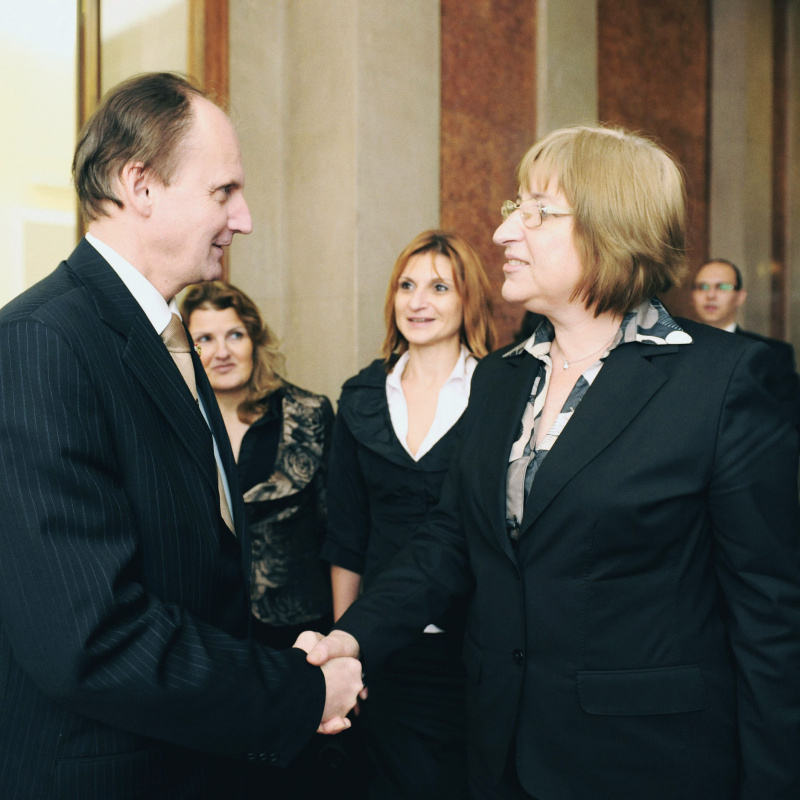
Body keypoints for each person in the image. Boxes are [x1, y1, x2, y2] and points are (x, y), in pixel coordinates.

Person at [302, 126, 800, 799]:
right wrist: (353, 637)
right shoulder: (501, 377)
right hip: (499, 750)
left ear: (610, 229)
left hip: (644, 762)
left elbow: (768, 617)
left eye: (535, 212)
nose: (504, 232)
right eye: (515, 208)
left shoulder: (722, 380)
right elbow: (449, 540)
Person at [0, 72, 361, 800]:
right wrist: (295, 692)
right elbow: (92, 636)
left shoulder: (164, 335)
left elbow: (195, 572)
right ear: (140, 186)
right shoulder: (41, 341)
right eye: (224, 191)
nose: (244, 219)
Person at [321, 230, 496, 799]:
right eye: (406, 286)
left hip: (478, 642)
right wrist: (350, 644)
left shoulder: (501, 391)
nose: (418, 302)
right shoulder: (361, 396)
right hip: (386, 645)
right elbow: (347, 535)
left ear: (468, 298)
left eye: (439, 287)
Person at [182, 280, 339, 799]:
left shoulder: (307, 413)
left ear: (255, 339)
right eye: (204, 339)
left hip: (297, 637)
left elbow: (338, 531)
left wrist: (342, 634)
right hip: (209, 638)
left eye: (234, 334)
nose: (222, 352)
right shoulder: (176, 419)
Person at [691, 258, 800, 435]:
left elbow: (788, 419)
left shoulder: (771, 353)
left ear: (740, 296)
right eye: (702, 287)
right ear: (692, 296)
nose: (710, 295)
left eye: (722, 287)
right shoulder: (673, 348)